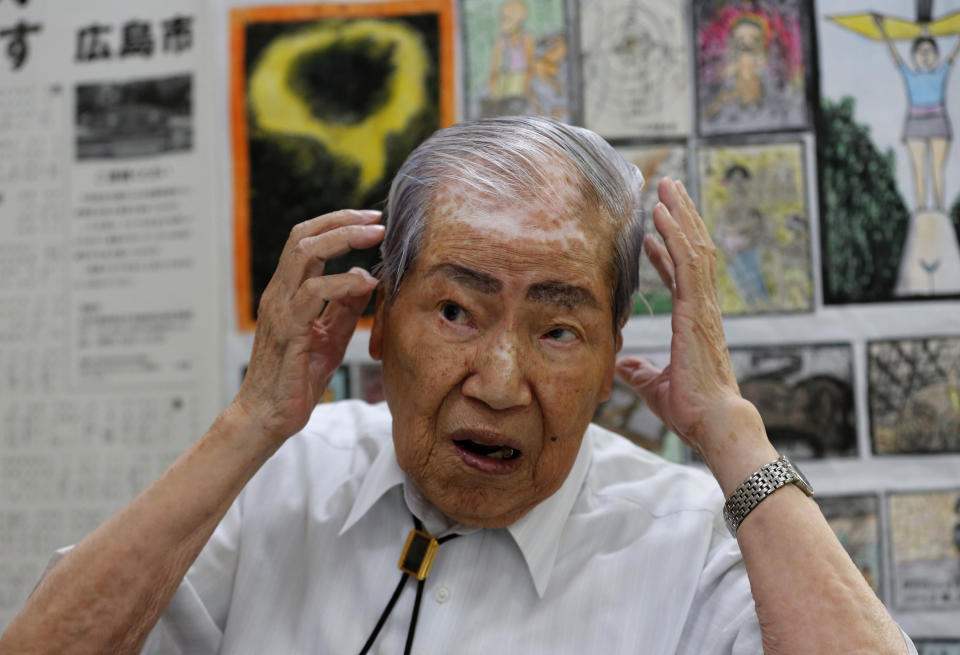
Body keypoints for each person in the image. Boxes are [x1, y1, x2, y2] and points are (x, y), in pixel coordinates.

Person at [1, 117, 914, 654]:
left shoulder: (690, 539)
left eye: (559, 328)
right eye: (454, 313)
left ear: (610, 363)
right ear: (380, 315)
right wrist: (250, 422)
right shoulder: (282, 480)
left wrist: (733, 430)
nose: (501, 381)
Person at [874, 14, 960, 211]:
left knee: (937, 170)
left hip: (938, 121)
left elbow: (956, 49)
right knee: (918, 170)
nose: (926, 56)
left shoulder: (942, 71)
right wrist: (883, 30)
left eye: (930, 52)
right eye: (921, 52)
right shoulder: (908, 74)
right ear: (913, 56)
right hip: (915, 122)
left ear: (937, 56)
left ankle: (939, 209)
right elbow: (894, 54)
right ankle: (921, 210)